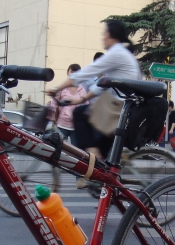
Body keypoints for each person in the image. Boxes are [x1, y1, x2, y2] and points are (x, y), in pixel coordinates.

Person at [49, 20, 143, 160]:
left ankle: (92, 155)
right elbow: (103, 84)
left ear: (111, 36)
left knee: (79, 114)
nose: (102, 38)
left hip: (116, 109)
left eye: (104, 34)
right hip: (122, 109)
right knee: (101, 156)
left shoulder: (117, 53)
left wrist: (57, 88)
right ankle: (97, 164)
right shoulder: (123, 54)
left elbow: (84, 73)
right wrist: (82, 99)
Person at [47, 64, 86, 144]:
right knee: (59, 146)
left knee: (75, 149)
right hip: (62, 125)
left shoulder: (82, 89)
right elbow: (54, 103)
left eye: (76, 72)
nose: (73, 74)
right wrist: (53, 117)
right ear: (67, 72)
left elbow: (85, 105)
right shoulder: (62, 88)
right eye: (72, 72)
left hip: (75, 126)